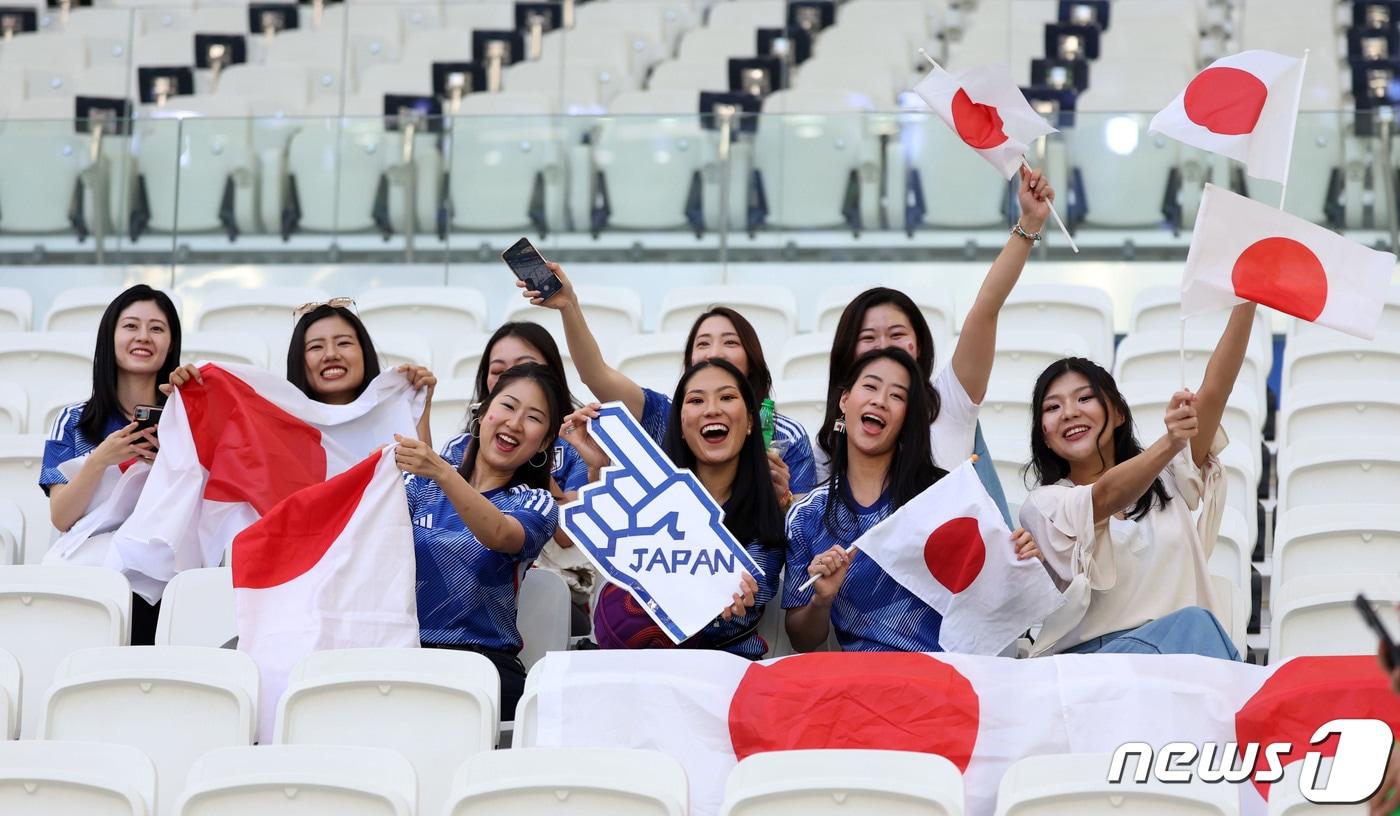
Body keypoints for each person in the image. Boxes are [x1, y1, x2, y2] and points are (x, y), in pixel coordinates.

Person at [1016, 303, 1259, 659]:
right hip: (1091, 665)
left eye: (1084, 398)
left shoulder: (1170, 477)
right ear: (1045, 435)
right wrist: (1170, 442)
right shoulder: (1045, 505)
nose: (1069, 412)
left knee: (1197, 627)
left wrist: (1247, 302)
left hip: (1178, 654)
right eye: (1053, 408)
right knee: (1200, 627)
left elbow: (1215, 389)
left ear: (1116, 413)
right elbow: (1106, 496)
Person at [814, 166, 1057, 514]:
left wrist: (1029, 224)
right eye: (868, 337)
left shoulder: (950, 402)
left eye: (897, 334)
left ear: (919, 347)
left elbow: (986, 308)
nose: (883, 345)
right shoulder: (825, 446)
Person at [783, 348, 1040, 653]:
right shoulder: (806, 516)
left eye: (897, 396)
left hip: (947, 675)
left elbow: (993, 592)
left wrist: (1021, 554)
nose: (879, 400)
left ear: (907, 418)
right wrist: (821, 600)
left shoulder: (944, 495)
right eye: (870, 386)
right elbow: (802, 639)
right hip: (862, 683)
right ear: (844, 400)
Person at [519, 270, 814, 506]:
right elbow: (595, 374)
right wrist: (569, 306)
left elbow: (805, 519)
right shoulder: (668, 416)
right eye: (702, 343)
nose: (715, 352)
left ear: (753, 360)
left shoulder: (788, 435)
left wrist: (784, 499)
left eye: (731, 342)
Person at [563, 358, 784, 658]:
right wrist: (599, 470)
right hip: (638, 674)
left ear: (749, 423)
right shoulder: (648, 498)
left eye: (727, 397)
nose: (712, 409)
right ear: (680, 424)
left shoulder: (769, 514)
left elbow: (757, 589)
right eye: (696, 400)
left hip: (730, 674)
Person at [393, 362, 567, 719]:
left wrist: (443, 471)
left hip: (484, 670)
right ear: (483, 413)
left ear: (544, 443)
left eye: (534, 418)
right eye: (507, 406)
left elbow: (500, 533)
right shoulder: (420, 488)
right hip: (405, 661)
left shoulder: (535, 503)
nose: (515, 423)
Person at [40, 284, 181, 644]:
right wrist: (100, 460)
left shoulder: (186, 421)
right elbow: (61, 516)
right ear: (111, 336)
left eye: (157, 328)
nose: (144, 337)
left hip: (164, 582)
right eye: (131, 326)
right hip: (93, 575)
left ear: (170, 343)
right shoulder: (73, 420)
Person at [168, 298, 437, 443]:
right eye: (315, 347)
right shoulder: (274, 428)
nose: (331, 354)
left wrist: (420, 406)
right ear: (299, 360)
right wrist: (192, 399)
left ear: (364, 353)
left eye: (343, 343)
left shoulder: (393, 418)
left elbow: (423, 489)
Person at [442, 322, 589, 495]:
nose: (514, 379)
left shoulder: (580, 448)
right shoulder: (458, 446)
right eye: (498, 371)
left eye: (526, 367)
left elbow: (574, 518)